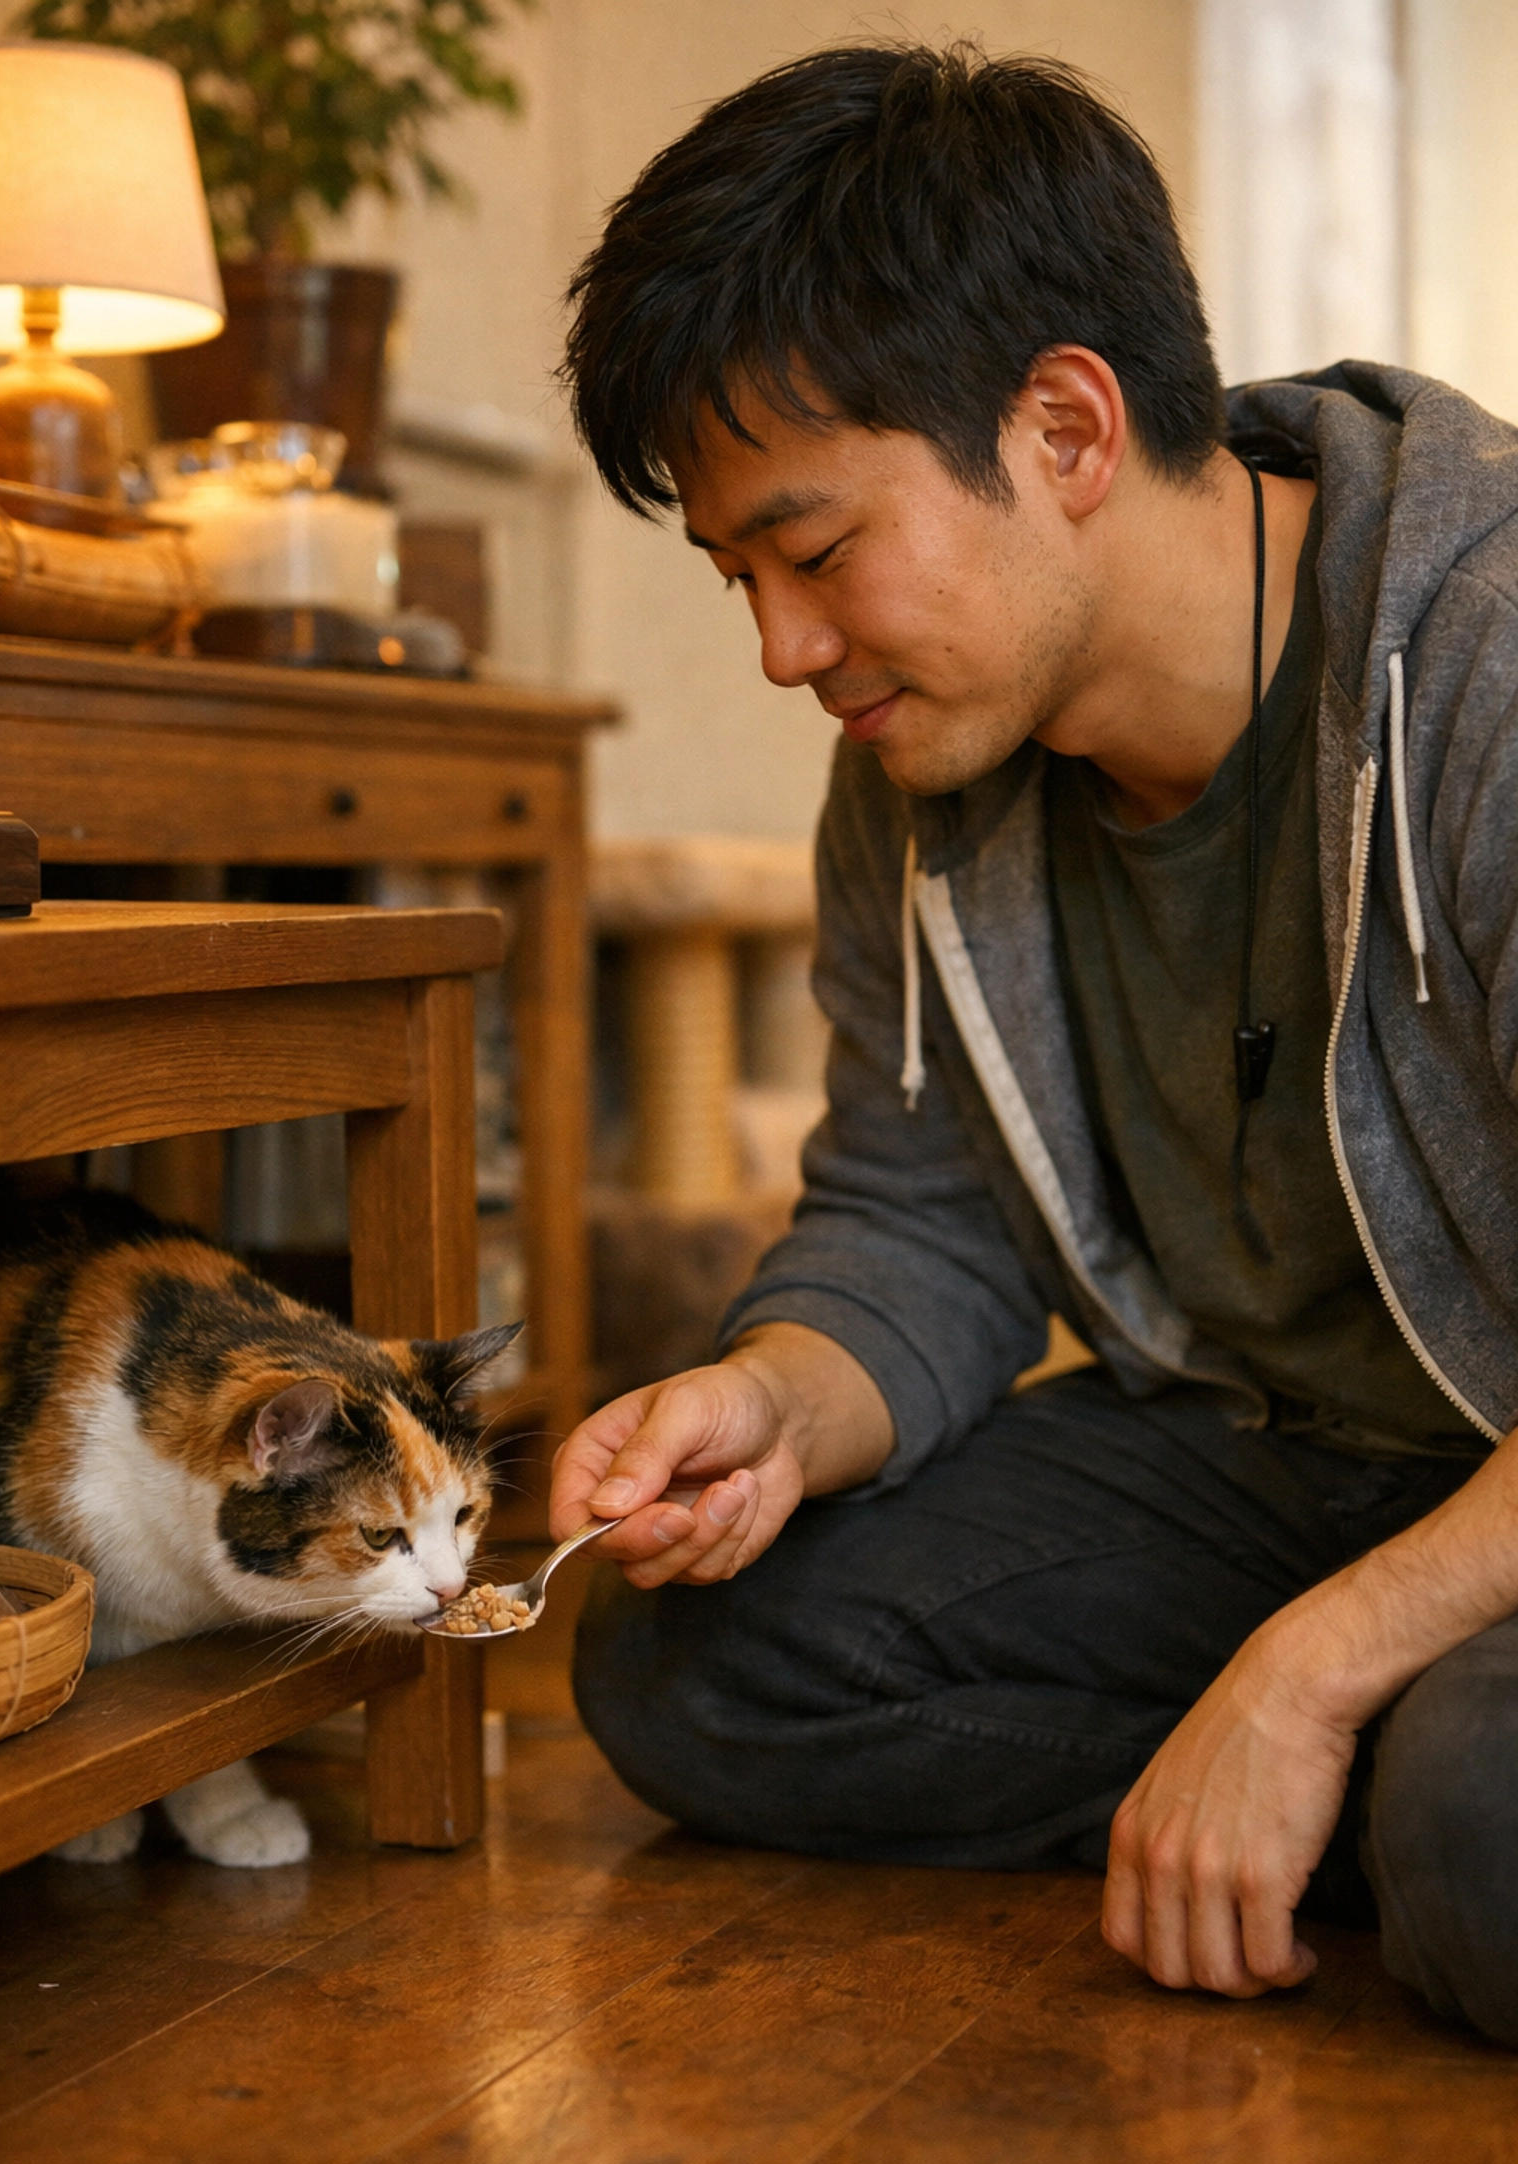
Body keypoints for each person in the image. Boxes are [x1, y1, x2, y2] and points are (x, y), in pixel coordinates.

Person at [552, 42, 1518, 2047]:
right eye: (739, 577)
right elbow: (919, 1225)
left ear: (1068, 424)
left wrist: (1311, 1674)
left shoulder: (1492, 661)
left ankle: (1381, 1788)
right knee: (693, 1668)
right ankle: (1352, 1822)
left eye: (815, 553)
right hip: (1272, 1469)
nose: (781, 651)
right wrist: (770, 1407)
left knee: (1487, 1810)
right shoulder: (920, 772)